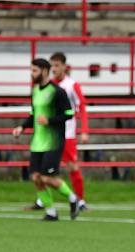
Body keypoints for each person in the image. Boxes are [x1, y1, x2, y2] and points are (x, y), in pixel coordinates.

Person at [13, 58, 80, 221]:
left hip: (53, 141)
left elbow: (69, 114)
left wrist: (49, 121)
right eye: (31, 70)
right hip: (38, 141)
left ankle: (73, 198)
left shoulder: (57, 91)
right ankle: (51, 212)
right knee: (36, 177)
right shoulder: (35, 91)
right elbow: (33, 115)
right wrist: (22, 127)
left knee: (47, 178)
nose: (32, 74)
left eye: (34, 70)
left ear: (44, 71)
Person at [27, 52, 89, 211]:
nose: (54, 69)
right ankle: (44, 202)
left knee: (72, 167)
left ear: (64, 66)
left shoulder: (71, 85)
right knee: (41, 172)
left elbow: (81, 107)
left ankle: (80, 201)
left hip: (67, 133)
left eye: (57, 65)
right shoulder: (47, 86)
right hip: (48, 136)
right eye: (52, 65)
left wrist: (84, 131)